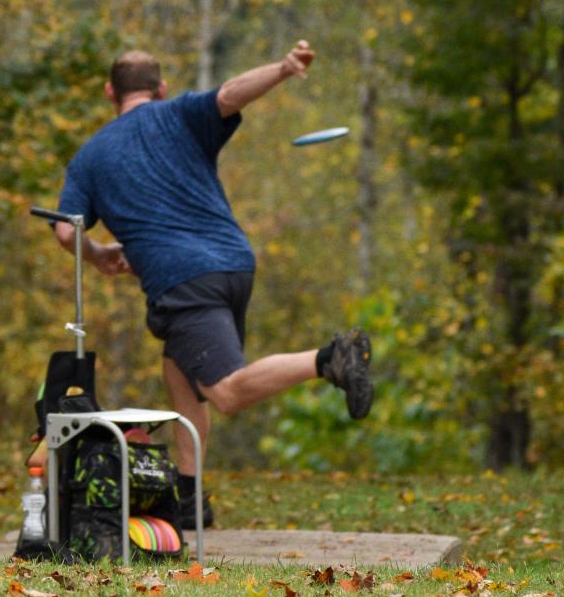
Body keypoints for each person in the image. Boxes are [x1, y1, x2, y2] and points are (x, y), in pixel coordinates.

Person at [52, 43, 372, 529]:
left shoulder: (90, 156)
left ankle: (330, 358)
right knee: (180, 375)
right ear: (160, 88)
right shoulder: (180, 114)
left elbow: (64, 229)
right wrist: (284, 69)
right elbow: (229, 94)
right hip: (234, 264)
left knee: (224, 391)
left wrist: (98, 256)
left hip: (182, 279)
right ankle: (189, 501)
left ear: (109, 92)